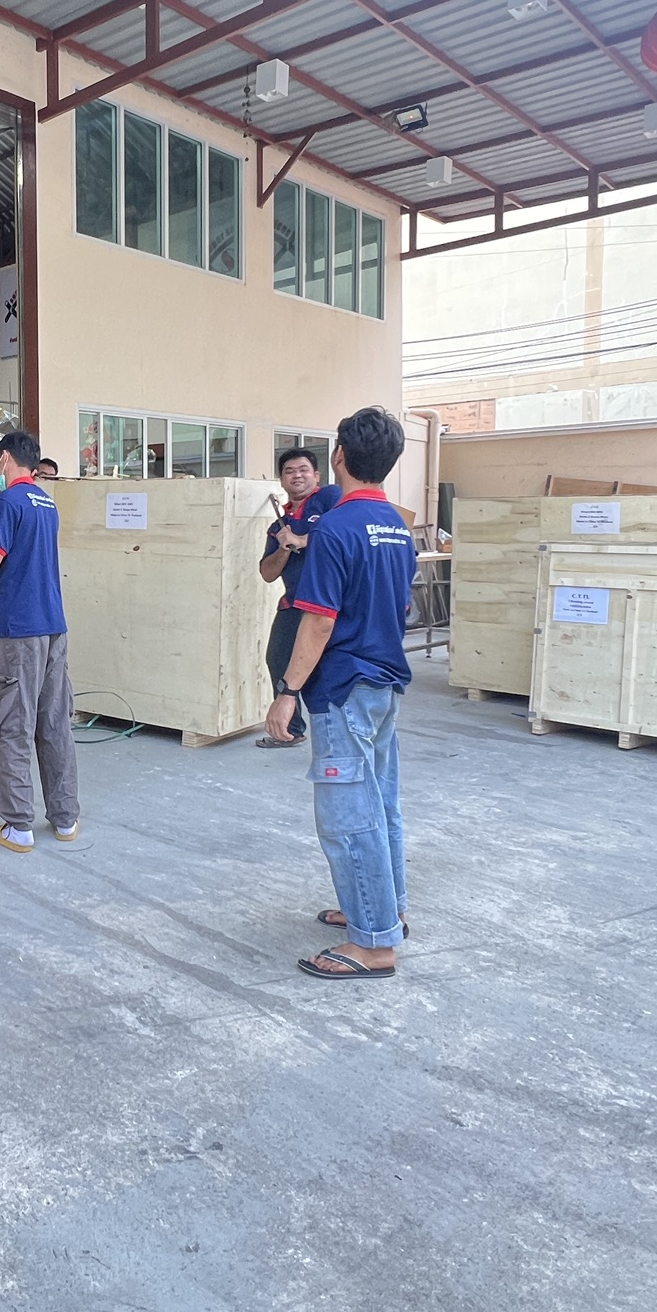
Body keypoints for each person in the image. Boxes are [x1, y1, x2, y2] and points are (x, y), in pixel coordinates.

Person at [265, 406, 416, 982]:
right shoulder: (396, 527)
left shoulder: (334, 529)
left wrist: (287, 692)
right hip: (384, 685)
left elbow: (319, 621)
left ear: (338, 458)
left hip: (344, 690)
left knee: (348, 817)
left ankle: (373, 943)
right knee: (381, 805)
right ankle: (387, 912)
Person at [0, 431, 80, 852]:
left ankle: (18, 825)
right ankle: (65, 818)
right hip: (52, 626)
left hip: (17, 631)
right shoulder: (45, 502)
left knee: (11, 724)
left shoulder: (9, 503)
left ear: (4, 458)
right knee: (54, 723)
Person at [255, 446, 341, 749]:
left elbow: (343, 533)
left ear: (316, 475)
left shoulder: (329, 498)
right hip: (293, 602)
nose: (297, 476)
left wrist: (302, 539)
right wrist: (283, 548)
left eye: (303, 469)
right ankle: (290, 730)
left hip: (330, 602)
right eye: (289, 471)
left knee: (329, 667)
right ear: (281, 480)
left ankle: (338, 731)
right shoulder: (278, 526)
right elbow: (267, 573)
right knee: (277, 659)